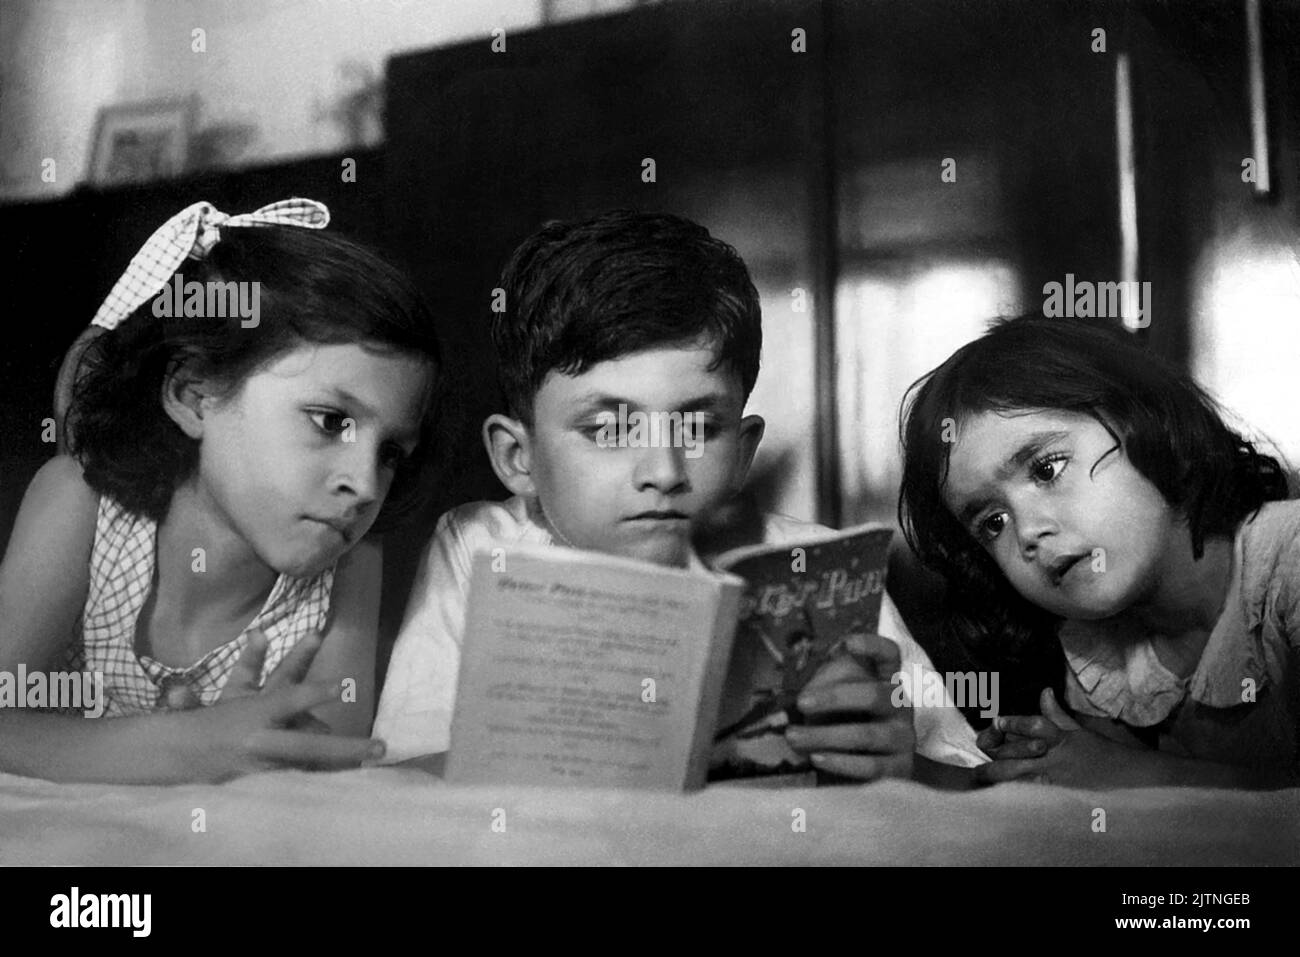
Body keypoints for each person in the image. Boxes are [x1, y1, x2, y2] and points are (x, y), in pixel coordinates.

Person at [375, 209, 985, 783]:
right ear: (518, 457)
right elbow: (402, 781)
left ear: (744, 451)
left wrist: (905, 766)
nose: (664, 471)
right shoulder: (479, 547)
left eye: (697, 428)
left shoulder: (820, 566)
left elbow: (964, 781)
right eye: (609, 428)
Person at [0, 199, 442, 784]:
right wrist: (187, 747)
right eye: (331, 421)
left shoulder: (352, 565)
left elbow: (325, 776)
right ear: (193, 395)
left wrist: (240, 763)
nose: (364, 485)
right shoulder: (77, 502)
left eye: (390, 454)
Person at [899, 314, 1297, 788]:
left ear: (1147, 422)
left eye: (1046, 469)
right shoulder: (1095, 652)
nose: (1027, 532)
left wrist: (1131, 773)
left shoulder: (1289, 561)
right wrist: (1058, 772)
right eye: (993, 522)